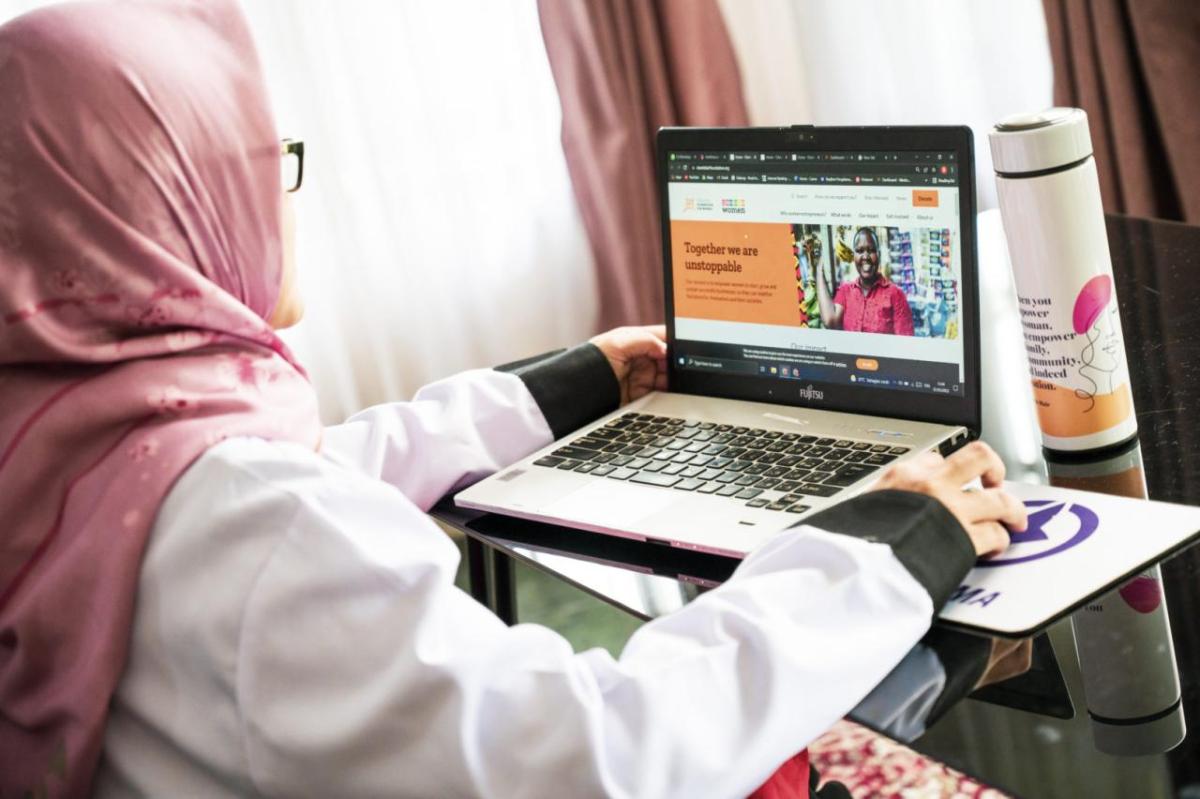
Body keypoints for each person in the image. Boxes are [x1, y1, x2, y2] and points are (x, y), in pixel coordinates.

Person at [0, 3, 1026, 797]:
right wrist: (881, 550)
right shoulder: (242, 531)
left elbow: (307, 474)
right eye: (263, 159)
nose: (281, 195)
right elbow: (603, 757)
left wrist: (571, 385)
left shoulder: (71, 437)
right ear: (166, 198)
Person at [816, 228, 915, 336]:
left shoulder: (895, 294)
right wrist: (819, 270)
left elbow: (905, 342)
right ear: (854, 256)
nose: (866, 256)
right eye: (859, 251)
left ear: (879, 255)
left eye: (871, 250)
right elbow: (830, 321)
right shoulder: (846, 291)